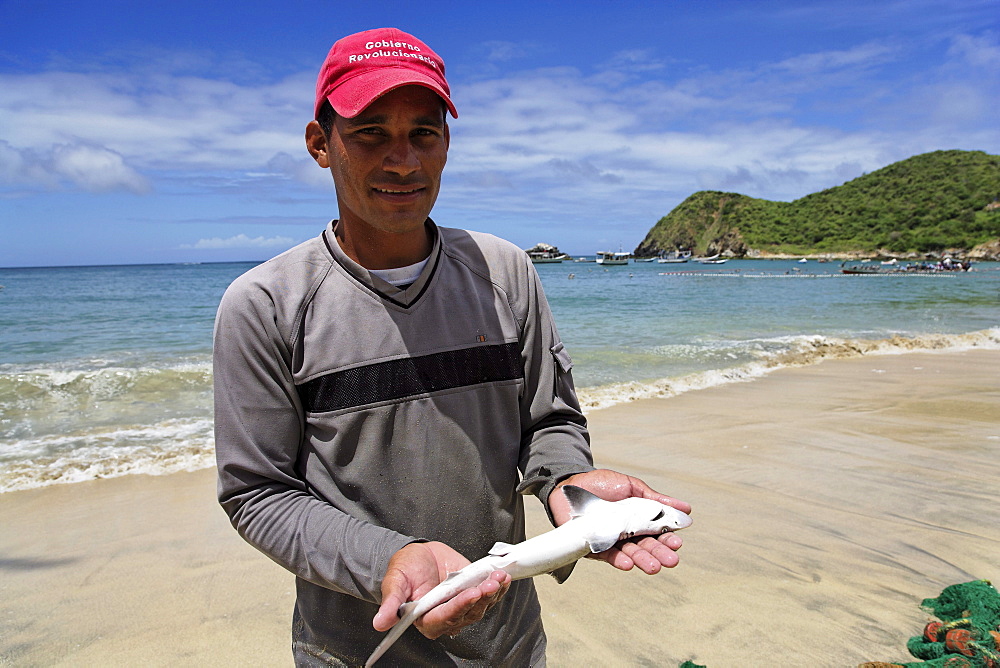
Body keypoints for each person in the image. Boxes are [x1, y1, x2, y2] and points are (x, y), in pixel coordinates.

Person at [213, 27, 691, 666]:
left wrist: (568, 486)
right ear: (319, 144)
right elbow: (258, 494)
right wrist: (387, 559)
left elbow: (550, 422)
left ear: (447, 142)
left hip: (509, 646)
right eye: (372, 133)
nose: (403, 161)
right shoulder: (264, 304)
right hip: (357, 652)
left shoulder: (506, 272)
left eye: (425, 134)